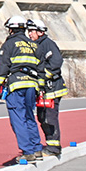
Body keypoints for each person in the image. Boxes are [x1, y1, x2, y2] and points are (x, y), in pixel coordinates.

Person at [0, 15, 43, 162]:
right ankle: (37, 149)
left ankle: (27, 152)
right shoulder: (34, 45)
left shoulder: (10, 44)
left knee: (18, 119)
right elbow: (41, 68)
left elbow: (2, 66)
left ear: (11, 29)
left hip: (16, 85)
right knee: (29, 116)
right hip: (32, 86)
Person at [28, 18, 65, 157]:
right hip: (44, 89)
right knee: (43, 117)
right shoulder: (37, 45)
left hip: (52, 88)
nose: (29, 34)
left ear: (40, 32)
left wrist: (43, 77)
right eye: (28, 31)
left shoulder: (48, 44)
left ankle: (54, 147)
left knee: (50, 117)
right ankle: (50, 143)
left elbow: (56, 62)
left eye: (32, 31)